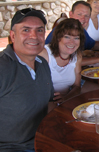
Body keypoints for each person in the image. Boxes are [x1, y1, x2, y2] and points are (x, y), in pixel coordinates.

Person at [0, 8, 54, 151]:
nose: (34, 36)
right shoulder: (2, 68)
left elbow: (47, 104)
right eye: (26, 30)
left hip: (43, 140)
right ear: (12, 35)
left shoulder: (42, 65)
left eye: (40, 30)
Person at [46, 1, 99, 65]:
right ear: (71, 14)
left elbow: (92, 44)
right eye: (79, 14)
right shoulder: (62, 31)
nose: (83, 19)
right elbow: (68, 62)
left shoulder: (80, 29)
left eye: (87, 15)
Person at [40, 18, 84, 107]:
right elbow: (34, 88)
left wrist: (66, 98)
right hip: (45, 104)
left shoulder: (77, 55)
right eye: (67, 37)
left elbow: (77, 86)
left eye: (76, 38)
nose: (72, 42)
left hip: (66, 102)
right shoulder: (45, 54)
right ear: (58, 38)